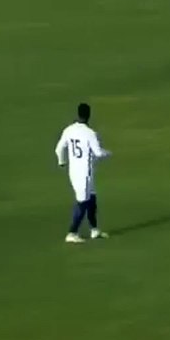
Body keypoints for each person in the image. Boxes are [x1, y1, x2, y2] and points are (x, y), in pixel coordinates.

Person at [55, 102, 110, 243]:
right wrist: (108, 153)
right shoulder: (90, 134)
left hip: (74, 171)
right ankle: (72, 233)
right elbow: (98, 153)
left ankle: (94, 230)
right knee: (82, 202)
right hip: (84, 172)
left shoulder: (69, 130)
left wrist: (62, 162)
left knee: (92, 198)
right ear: (89, 115)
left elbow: (59, 148)